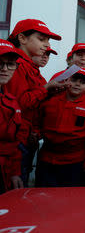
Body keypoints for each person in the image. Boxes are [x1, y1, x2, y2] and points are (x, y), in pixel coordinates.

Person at [6, 19, 66, 186]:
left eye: (48, 40)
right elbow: (20, 105)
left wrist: (50, 92)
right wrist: (46, 89)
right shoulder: (16, 65)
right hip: (16, 141)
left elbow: (32, 104)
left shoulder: (30, 67)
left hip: (27, 137)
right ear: (22, 39)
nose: (47, 45)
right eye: (42, 39)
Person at [35, 69, 85, 187]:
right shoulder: (49, 102)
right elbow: (36, 122)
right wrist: (35, 133)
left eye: (82, 82)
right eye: (74, 80)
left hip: (74, 163)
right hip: (46, 160)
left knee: (70, 200)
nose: (77, 84)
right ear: (67, 81)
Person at [0, 40, 24, 193]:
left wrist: (15, 173)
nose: (4, 69)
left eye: (10, 64)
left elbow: (13, 142)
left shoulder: (11, 101)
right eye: (0, 63)